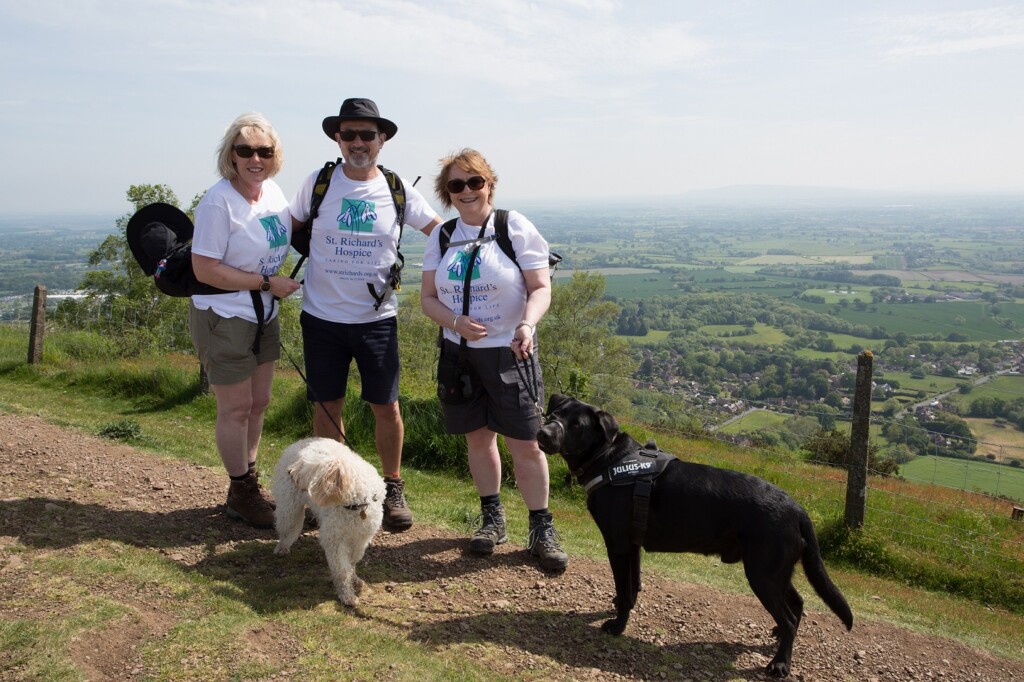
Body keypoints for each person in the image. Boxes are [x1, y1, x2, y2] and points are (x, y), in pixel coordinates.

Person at [289, 98, 441, 532]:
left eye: (367, 135)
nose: (357, 142)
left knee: (386, 406)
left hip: (376, 320)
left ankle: (392, 486)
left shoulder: (396, 189)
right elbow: (287, 228)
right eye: (349, 134)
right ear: (337, 138)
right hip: (321, 316)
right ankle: (327, 490)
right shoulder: (318, 182)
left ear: (382, 139)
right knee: (326, 406)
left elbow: (438, 232)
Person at [420, 148, 568, 571]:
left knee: (525, 442)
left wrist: (527, 326)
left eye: (474, 182)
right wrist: (454, 321)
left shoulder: (511, 225)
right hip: (459, 355)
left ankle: (541, 527)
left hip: (510, 351)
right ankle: (492, 519)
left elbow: (540, 287)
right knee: (477, 438)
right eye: (456, 185)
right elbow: (427, 299)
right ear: (446, 193)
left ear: (489, 184)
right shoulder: (443, 236)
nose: (466, 191)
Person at [190, 112, 301, 528]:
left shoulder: (272, 193)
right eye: (245, 150)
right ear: (231, 156)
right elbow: (205, 269)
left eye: (264, 151)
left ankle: (248, 483)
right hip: (226, 315)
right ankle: (241, 489)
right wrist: (266, 282)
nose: (255, 158)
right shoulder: (218, 202)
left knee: (259, 404)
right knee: (235, 409)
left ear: (275, 156)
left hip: (262, 313)